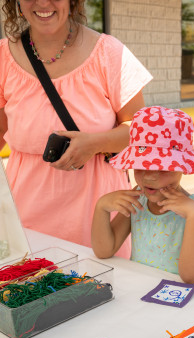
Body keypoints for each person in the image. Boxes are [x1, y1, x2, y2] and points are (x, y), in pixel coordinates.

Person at [0, 0, 152, 256]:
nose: (42, 2)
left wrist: (94, 144)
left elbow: (140, 130)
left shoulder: (108, 52)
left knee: (103, 288)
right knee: (31, 288)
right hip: (25, 211)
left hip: (98, 213)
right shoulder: (4, 56)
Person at [92, 106, 194, 284]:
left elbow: (191, 276)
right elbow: (104, 251)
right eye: (141, 165)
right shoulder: (137, 201)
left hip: (181, 301)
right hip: (141, 292)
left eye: (161, 166)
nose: (149, 176)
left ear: (182, 167)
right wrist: (101, 207)